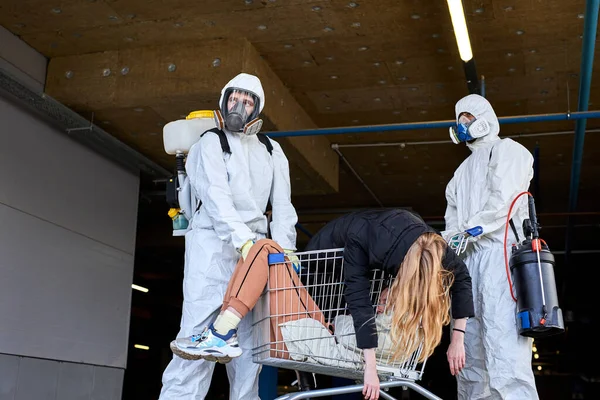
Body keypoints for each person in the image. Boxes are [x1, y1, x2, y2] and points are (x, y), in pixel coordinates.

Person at [174, 208, 474, 400]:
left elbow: (352, 317)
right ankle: (223, 331)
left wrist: (369, 363)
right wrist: (456, 339)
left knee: (265, 249)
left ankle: (222, 330)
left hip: (299, 338)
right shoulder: (417, 329)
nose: (382, 295)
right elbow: (461, 278)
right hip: (313, 333)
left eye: (388, 294)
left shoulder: (391, 327)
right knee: (265, 252)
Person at [159, 72, 298, 400]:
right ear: (224, 102)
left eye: (248, 101)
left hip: (255, 252)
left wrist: (286, 251)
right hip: (212, 246)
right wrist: (243, 241)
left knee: (251, 351)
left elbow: (282, 206)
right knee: (196, 344)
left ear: (257, 109)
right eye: (234, 98)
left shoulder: (271, 150)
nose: (240, 105)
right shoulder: (210, 142)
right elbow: (215, 198)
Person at [443, 94, 538, 399]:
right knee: (470, 352)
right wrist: (451, 243)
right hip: (468, 264)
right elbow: (451, 222)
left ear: (486, 117)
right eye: (459, 119)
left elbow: (505, 199)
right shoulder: (458, 175)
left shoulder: (508, 151)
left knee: (504, 349)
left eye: (469, 117)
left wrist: (473, 230)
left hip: (500, 258)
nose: (463, 124)